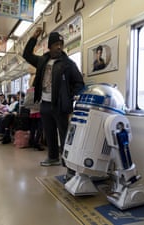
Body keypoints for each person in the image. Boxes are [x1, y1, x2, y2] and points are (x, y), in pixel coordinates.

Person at [23, 28, 85, 166]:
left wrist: (69, 96)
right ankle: (53, 157)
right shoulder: (42, 61)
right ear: (49, 46)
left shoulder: (68, 64)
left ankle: (66, 160)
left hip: (60, 104)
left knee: (63, 133)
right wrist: (34, 37)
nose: (59, 47)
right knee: (49, 132)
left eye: (61, 44)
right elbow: (26, 54)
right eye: (56, 44)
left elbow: (79, 83)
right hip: (44, 103)